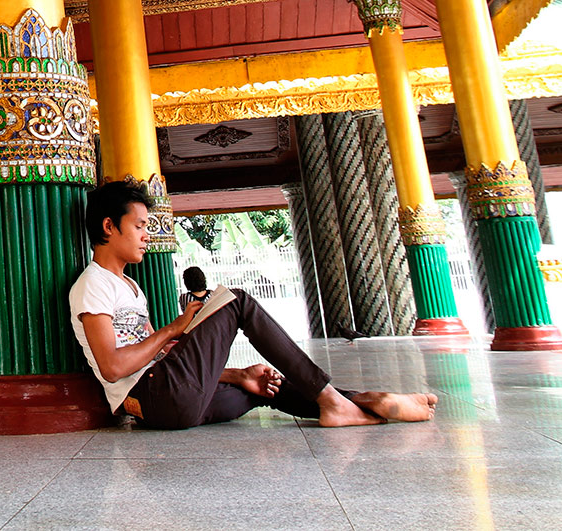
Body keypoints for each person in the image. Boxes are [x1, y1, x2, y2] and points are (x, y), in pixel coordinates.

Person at [68, 179, 437, 429]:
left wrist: (237, 375)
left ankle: (358, 401)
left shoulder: (131, 286)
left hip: (173, 405)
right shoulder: (93, 285)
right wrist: (174, 328)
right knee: (238, 302)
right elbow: (113, 367)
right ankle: (331, 398)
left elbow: (161, 355)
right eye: (139, 226)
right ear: (109, 227)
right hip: (149, 397)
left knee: (261, 388)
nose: (147, 236)